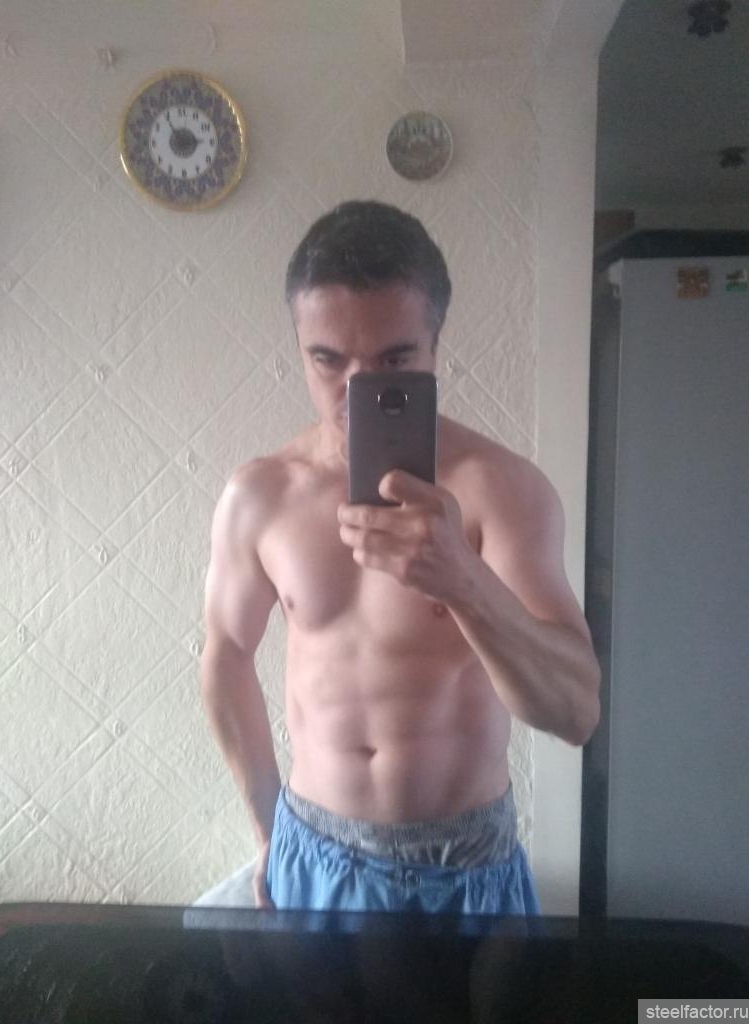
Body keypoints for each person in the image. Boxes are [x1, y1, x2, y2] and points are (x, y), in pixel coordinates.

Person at [200, 199, 601, 915]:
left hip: (465, 864)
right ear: (299, 347)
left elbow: (575, 714)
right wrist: (267, 828)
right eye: (328, 359)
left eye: (394, 359)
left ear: (435, 345)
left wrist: (465, 580)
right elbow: (226, 654)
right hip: (312, 849)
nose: (357, 390)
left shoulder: (501, 490)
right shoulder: (260, 495)